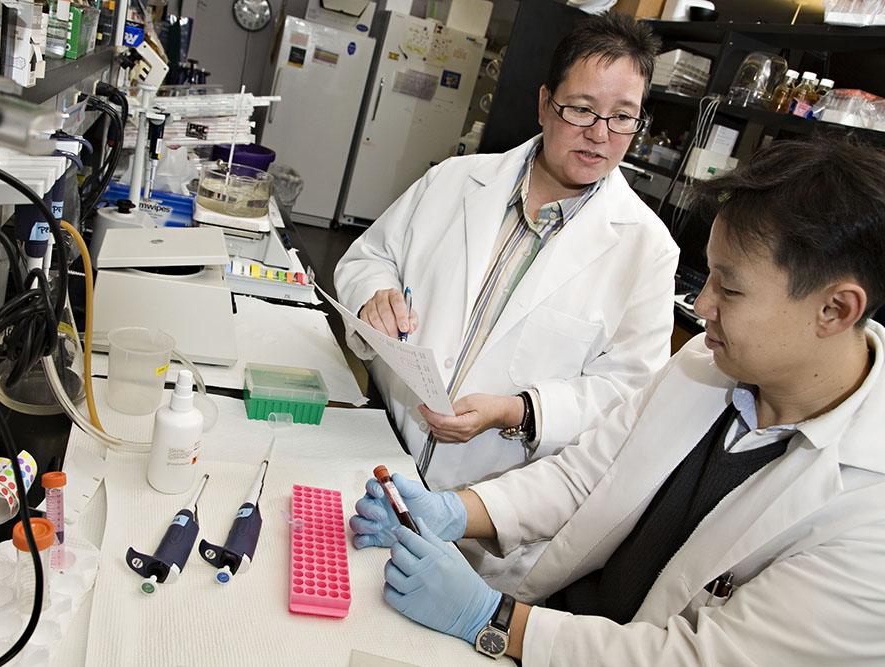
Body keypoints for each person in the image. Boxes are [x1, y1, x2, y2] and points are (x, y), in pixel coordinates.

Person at [349, 135, 885, 665]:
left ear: (835, 309)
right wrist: (455, 511)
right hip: (551, 626)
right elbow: (585, 474)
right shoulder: (705, 367)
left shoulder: (867, 518)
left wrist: (494, 620)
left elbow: (701, 660)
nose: (700, 306)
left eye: (731, 289)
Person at [333, 15, 679, 497]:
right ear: (544, 104)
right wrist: (375, 296)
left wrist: (516, 411)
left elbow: (626, 392)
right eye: (581, 108)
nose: (600, 134)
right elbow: (368, 257)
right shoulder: (454, 181)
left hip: (491, 495)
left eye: (623, 116)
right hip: (378, 445)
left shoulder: (648, 250)